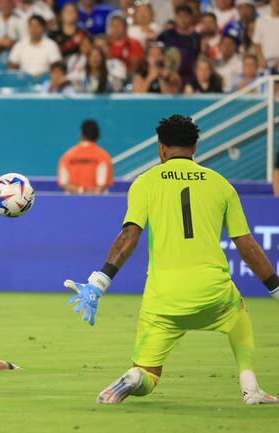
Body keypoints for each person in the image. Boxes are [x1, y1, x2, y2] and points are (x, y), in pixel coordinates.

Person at [63, 115, 279, 405]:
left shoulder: (145, 183)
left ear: (161, 148)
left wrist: (99, 281)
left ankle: (135, 378)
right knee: (238, 314)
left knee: (148, 373)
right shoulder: (221, 184)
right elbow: (246, 245)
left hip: (162, 298)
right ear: (195, 147)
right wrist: (275, 288)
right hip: (212, 291)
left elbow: (129, 236)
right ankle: (250, 388)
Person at [57, 119, 113, 194]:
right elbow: (101, 185)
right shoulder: (104, 156)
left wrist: (81, 191)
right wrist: (91, 195)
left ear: (81, 133)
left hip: (72, 202)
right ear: (98, 135)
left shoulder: (67, 156)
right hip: (98, 203)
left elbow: (64, 183)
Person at [252, 0, 279, 69]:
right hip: (267, 64)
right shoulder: (261, 21)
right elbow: (256, 42)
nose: (277, 3)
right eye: (275, 0)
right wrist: (260, 58)